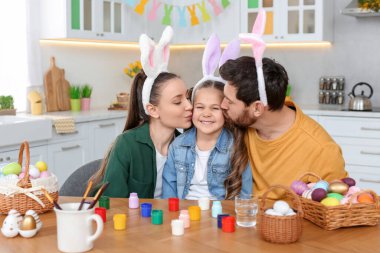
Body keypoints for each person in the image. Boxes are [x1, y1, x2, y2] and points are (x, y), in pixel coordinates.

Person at [219, 56, 348, 197]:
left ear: (257, 108)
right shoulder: (243, 120)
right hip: (244, 214)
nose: (222, 105)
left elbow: (338, 206)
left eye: (230, 101)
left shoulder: (322, 151)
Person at [91, 26, 193, 198]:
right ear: (152, 110)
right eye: (177, 101)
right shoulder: (127, 145)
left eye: (188, 98)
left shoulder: (185, 146)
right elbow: (114, 203)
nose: (189, 106)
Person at [162, 34, 252, 200]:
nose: (206, 114)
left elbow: (245, 193)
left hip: (220, 217)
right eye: (200, 107)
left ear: (225, 110)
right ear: (192, 108)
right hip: (184, 214)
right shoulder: (178, 145)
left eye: (215, 108)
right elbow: (169, 190)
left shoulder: (235, 146)